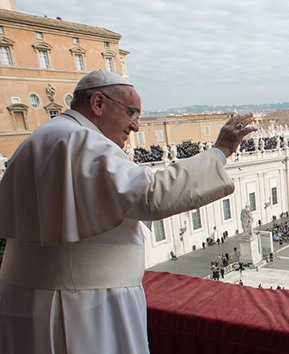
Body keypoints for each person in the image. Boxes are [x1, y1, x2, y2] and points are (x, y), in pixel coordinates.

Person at [0, 71, 257, 354]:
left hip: (30, 299)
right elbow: (151, 194)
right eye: (131, 113)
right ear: (98, 103)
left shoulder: (43, 138)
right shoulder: (80, 140)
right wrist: (220, 151)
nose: (135, 126)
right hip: (83, 307)